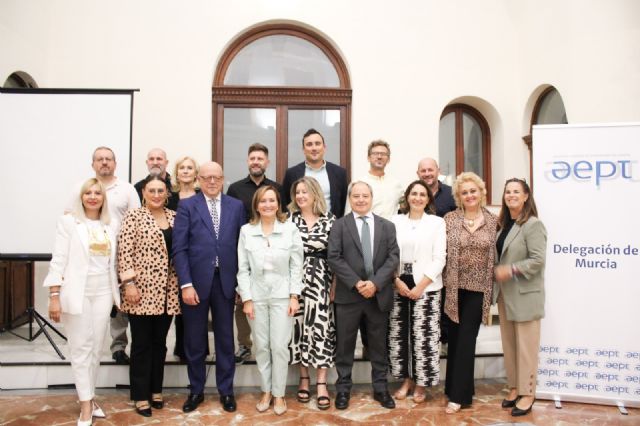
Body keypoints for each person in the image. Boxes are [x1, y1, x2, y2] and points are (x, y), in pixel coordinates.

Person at [46, 178, 121, 426]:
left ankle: (90, 395)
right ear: (81, 197)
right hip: (76, 290)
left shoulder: (112, 224)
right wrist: (54, 295)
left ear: (103, 198)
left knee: (97, 347)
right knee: (80, 348)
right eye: (87, 193)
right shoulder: (69, 222)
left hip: (103, 291)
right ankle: (85, 405)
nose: (92, 197)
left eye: (97, 193)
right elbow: (58, 260)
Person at [173, 161, 245, 413]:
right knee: (194, 341)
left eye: (216, 177)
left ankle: (226, 391)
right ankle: (196, 390)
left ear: (223, 179)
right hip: (195, 283)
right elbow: (179, 248)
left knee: (226, 340)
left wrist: (240, 284)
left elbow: (241, 247)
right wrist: (186, 284)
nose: (212, 181)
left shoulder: (236, 206)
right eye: (206, 177)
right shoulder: (187, 206)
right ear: (198, 180)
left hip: (226, 282)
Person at [328, 181, 400, 410]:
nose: (360, 199)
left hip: (377, 296)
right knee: (345, 346)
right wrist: (357, 283)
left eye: (365, 196)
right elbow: (334, 257)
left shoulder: (387, 226)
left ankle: (381, 388)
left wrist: (375, 283)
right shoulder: (339, 226)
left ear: (371, 197)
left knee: (378, 346)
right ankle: (343, 390)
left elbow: (393, 258)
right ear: (350, 199)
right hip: (349, 296)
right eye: (356, 196)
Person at [237, 185, 303, 415]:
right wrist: (247, 298)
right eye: (263, 201)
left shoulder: (289, 229)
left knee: (279, 347)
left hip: (282, 296)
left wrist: (294, 296)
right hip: (256, 296)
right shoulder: (246, 230)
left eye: (272, 201)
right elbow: (242, 268)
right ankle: (266, 391)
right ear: (256, 205)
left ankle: (279, 394)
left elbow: (297, 265)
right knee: (262, 346)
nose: (267, 205)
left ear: (278, 204)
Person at [117, 176, 180, 417]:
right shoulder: (133, 216)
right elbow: (124, 251)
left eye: (160, 191)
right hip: (140, 293)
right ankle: (140, 394)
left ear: (167, 194)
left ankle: (156, 389)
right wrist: (129, 283)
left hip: (167, 293)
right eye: (151, 190)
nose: (156, 194)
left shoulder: (174, 217)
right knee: (141, 345)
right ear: (144, 192)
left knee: (160, 344)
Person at [442, 172, 498, 414]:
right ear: (459, 196)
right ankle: (456, 387)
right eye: (464, 192)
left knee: (467, 339)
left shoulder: (493, 220)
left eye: (473, 191)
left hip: (478, 288)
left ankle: (458, 396)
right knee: (454, 339)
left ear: (481, 192)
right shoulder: (449, 219)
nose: (469, 195)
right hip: (453, 287)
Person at [494, 178, 547, 417]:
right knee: (510, 345)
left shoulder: (533, 225)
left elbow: (538, 260)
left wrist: (511, 270)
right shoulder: (504, 224)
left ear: (526, 196)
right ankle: (515, 387)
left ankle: (528, 393)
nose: (511, 195)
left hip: (525, 295)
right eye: (508, 191)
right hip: (506, 296)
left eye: (516, 191)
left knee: (526, 348)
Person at [389, 180, 446, 403]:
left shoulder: (436, 223)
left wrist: (421, 286)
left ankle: (422, 383)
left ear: (428, 199)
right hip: (399, 284)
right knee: (401, 336)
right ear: (407, 196)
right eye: (414, 193)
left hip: (427, 285)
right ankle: (406, 380)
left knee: (425, 337)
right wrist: (395, 281)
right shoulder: (395, 221)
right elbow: (389, 253)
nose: (418, 198)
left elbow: (440, 257)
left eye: (423, 194)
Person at [227, 143, 282, 364]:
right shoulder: (235, 189)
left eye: (260, 158)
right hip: (244, 247)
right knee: (243, 298)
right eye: (252, 158)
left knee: (273, 299)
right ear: (248, 161)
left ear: (267, 162)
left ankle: (270, 345)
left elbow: (282, 215)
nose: (256, 162)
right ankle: (244, 345)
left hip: (271, 249)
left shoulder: (276, 187)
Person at [86, 146, 140, 365]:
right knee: (102, 302)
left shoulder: (126, 189)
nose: (104, 163)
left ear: (115, 164)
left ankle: (122, 347)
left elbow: (137, 220)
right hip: (94, 258)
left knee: (124, 302)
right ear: (93, 164)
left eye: (108, 159)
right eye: (100, 159)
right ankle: (111, 345)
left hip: (122, 255)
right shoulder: (87, 189)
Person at [287, 177, 336, 410]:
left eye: (305, 192)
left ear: (315, 194)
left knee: (321, 330)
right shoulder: (288, 220)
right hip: (294, 283)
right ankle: (304, 379)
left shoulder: (330, 221)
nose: (301, 196)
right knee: (298, 330)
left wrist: (334, 285)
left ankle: (322, 383)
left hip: (322, 282)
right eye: (298, 192)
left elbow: (337, 256)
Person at [416, 157, 456, 345]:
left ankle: (444, 341)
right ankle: (426, 341)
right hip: (421, 260)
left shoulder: (451, 194)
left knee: (445, 301)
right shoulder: (414, 194)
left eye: (430, 170)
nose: (427, 174)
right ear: (418, 174)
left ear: (438, 171)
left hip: (447, 258)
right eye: (423, 171)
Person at [167, 156, 200, 360]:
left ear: (196, 173)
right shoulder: (169, 197)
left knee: (192, 305)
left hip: (195, 256)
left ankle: (194, 350)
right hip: (170, 254)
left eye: (190, 168)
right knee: (177, 305)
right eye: (182, 168)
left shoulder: (202, 195)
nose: (186, 171)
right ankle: (180, 349)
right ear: (176, 173)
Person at [281, 128, 348, 218]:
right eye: (309, 145)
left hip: (331, 228)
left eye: (317, 144)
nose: (314, 148)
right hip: (299, 228)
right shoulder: (292, 174)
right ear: (303, 149)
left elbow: (344, 203)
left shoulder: (340, 173)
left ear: (324, 147)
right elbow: (286, 203)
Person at [345, 140, 403, 219]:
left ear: (388, 159)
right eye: (375, 154)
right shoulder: (357, 183)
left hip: (391, 229)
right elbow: (348, 213)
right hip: (365, 229)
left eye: (383, 154)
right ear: (368, 158)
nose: (379, 157)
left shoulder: (396, 184)